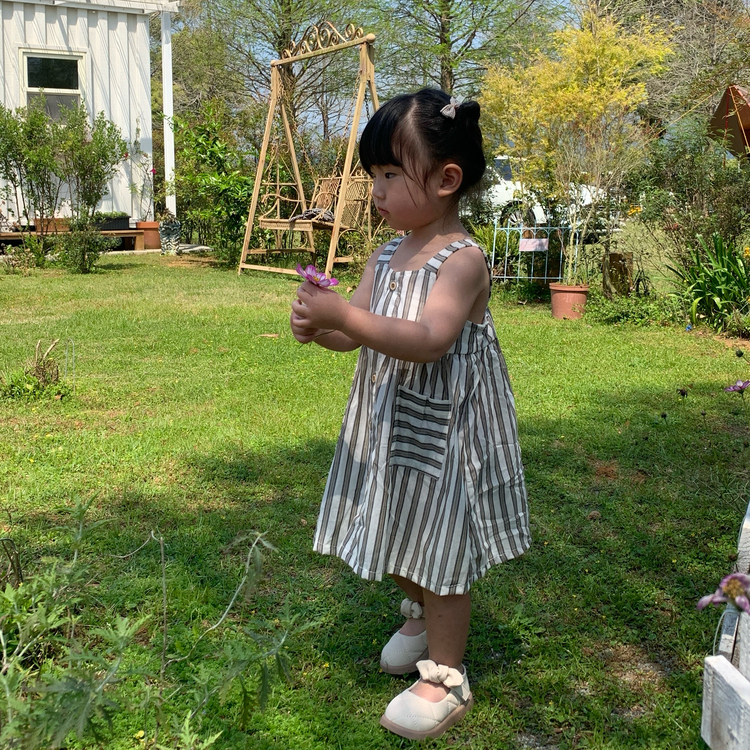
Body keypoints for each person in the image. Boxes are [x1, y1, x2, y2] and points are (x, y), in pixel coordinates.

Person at [290, 88, 530, 741]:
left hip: (448, 431)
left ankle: (447, 676)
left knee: (440, 546)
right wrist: (322, 325)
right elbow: (355, 335)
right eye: (374, 175)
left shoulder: (462, 260)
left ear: (446, 180)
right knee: (395, 525)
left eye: (391, 174)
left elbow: (429, 339)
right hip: (391, 424)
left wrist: (346, 316)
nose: (376, 191)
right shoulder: (386, 255)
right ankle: (420, 618)